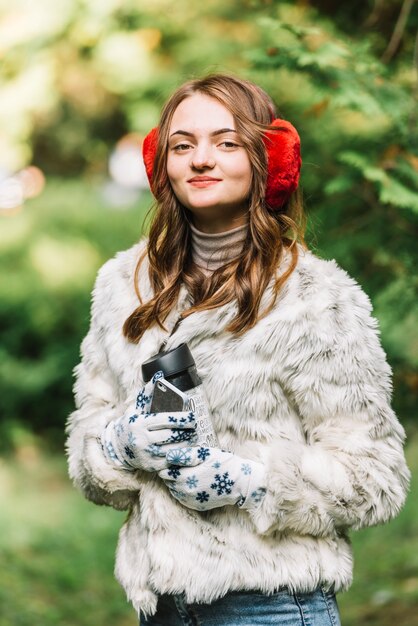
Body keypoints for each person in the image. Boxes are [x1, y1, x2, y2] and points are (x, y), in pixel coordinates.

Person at [66, 74, 410, 626]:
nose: (201, 159)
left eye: (225, 142)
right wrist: (120, 443)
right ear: (163, 165)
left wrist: (248, 480)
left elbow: (375, 479)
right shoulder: (122, 287)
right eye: (183, 145)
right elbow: (88, 446)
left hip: (273, 604)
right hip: (162, 607)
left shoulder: (315, 299)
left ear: (266, 159)